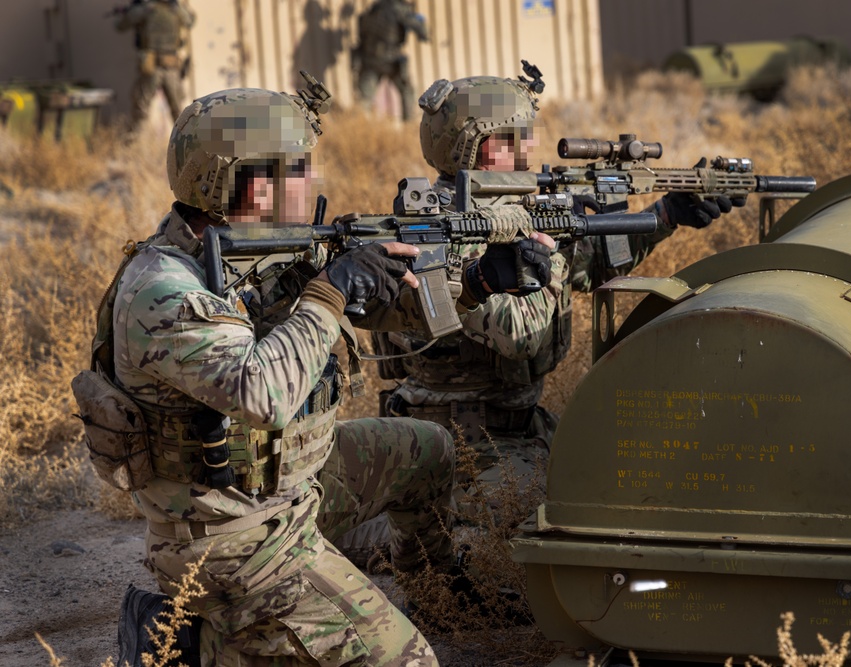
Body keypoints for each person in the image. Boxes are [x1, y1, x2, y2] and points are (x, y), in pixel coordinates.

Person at [73, 81, 550, 665]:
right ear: (247, 182)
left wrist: (479, 281)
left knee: (429, 451)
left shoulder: (269, 250)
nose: (312, 181)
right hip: (229, 541)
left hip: (286, 486)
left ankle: (437, 597)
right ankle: (194, 646)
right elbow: (262, 393)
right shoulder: (165, 291)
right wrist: (331, 290)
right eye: (297, 167)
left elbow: (383, 307)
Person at [332, 72, 744, 565]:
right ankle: (401, 535)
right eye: (511, 140)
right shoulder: (434, 230)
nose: (528, 149)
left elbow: (590, 264)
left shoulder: (517, 208)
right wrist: (517, 265)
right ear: (470, 148)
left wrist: (666, 215)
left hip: (522, 431)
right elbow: (523, 337)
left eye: (528, 135)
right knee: (531, 549)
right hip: (460, 443)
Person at [114, 0, 195, 130]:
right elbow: (190, 21)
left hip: (155, 66)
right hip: (163, 66)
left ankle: (131, 145)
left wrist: (128, 12)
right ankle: (187, 144)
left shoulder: (145, 8)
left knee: (143, 110)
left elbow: (120, 25)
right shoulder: (173, 8)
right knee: (177, 112)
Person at [352, 0, 428, 121]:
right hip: (391, 61)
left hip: (370, 60)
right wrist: (420, 20)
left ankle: (362, 126)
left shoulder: (374, 9)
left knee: (365, 100)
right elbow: (424, 34)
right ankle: (409, 125)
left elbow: (361, 35)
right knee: (407, 92)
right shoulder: (399, 9)